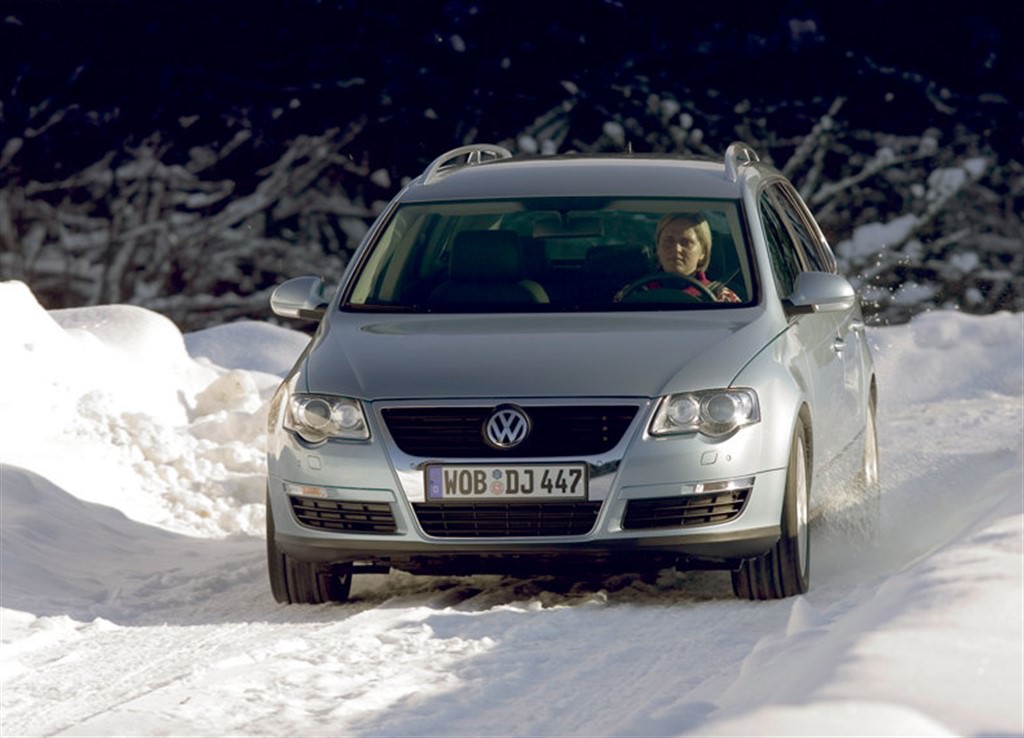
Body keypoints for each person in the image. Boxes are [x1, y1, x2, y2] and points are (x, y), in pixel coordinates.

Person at [642, 213, 741, 302]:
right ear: (657, 248)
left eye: (686, 242)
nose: (677, 249)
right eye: (669, 241)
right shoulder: (638, 294)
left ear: (703, 252)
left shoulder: (721, 298)